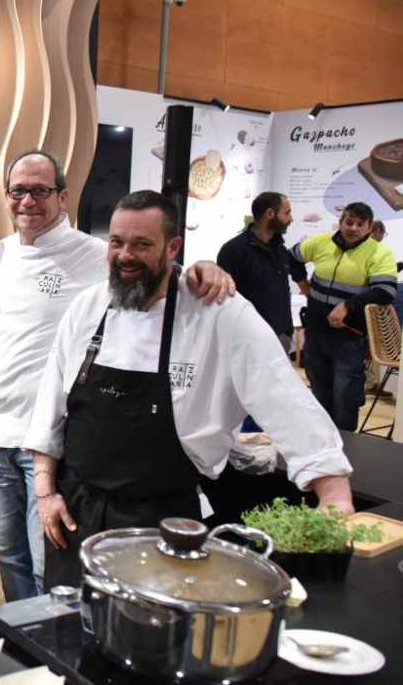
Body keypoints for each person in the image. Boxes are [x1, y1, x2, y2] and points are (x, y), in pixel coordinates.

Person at [24, 190, 355, 588]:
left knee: (151, 638)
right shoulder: (87, 308)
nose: (125, 256)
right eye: (117, 243)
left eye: (142, 244)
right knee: (68, 632)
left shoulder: (216, 312)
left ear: (173, 247)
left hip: (163, 522)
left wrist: (333, 492)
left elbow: (282, 393)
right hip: (77, 511)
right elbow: (51, 401)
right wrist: (45, 490)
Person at [0, 152, 234, 601]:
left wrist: (203, 271)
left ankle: (50, 649)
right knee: (9, 552)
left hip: (46, 442)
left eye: (40, 190)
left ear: (63, 195)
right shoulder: (2, 253)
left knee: (46, 561)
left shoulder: (96, 254)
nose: (27, 201)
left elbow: (154, 274)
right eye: (18, 190)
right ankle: (20, 644)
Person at [291, 202, 397, 431]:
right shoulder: (321, 242)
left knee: (345, 398)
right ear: (340, 223)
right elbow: (292, 256)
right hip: (316, 334)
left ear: (369, 228)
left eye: (360, 224)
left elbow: (386, 291)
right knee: (319, 393)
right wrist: (302, 283)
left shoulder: (379, 253)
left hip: (349, 340)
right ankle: (323, 445)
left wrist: (348, 307)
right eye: (349, 222)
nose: (353, 228)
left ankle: (347, 452)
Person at [217, 192, 307, 352]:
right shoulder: (233, 251)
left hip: (279, 339)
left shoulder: (280, 249)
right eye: (287, 213)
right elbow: (225, 300)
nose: (291, 219)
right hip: (247, 342)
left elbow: (281, 290)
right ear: (270, 214)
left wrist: (287, 332)